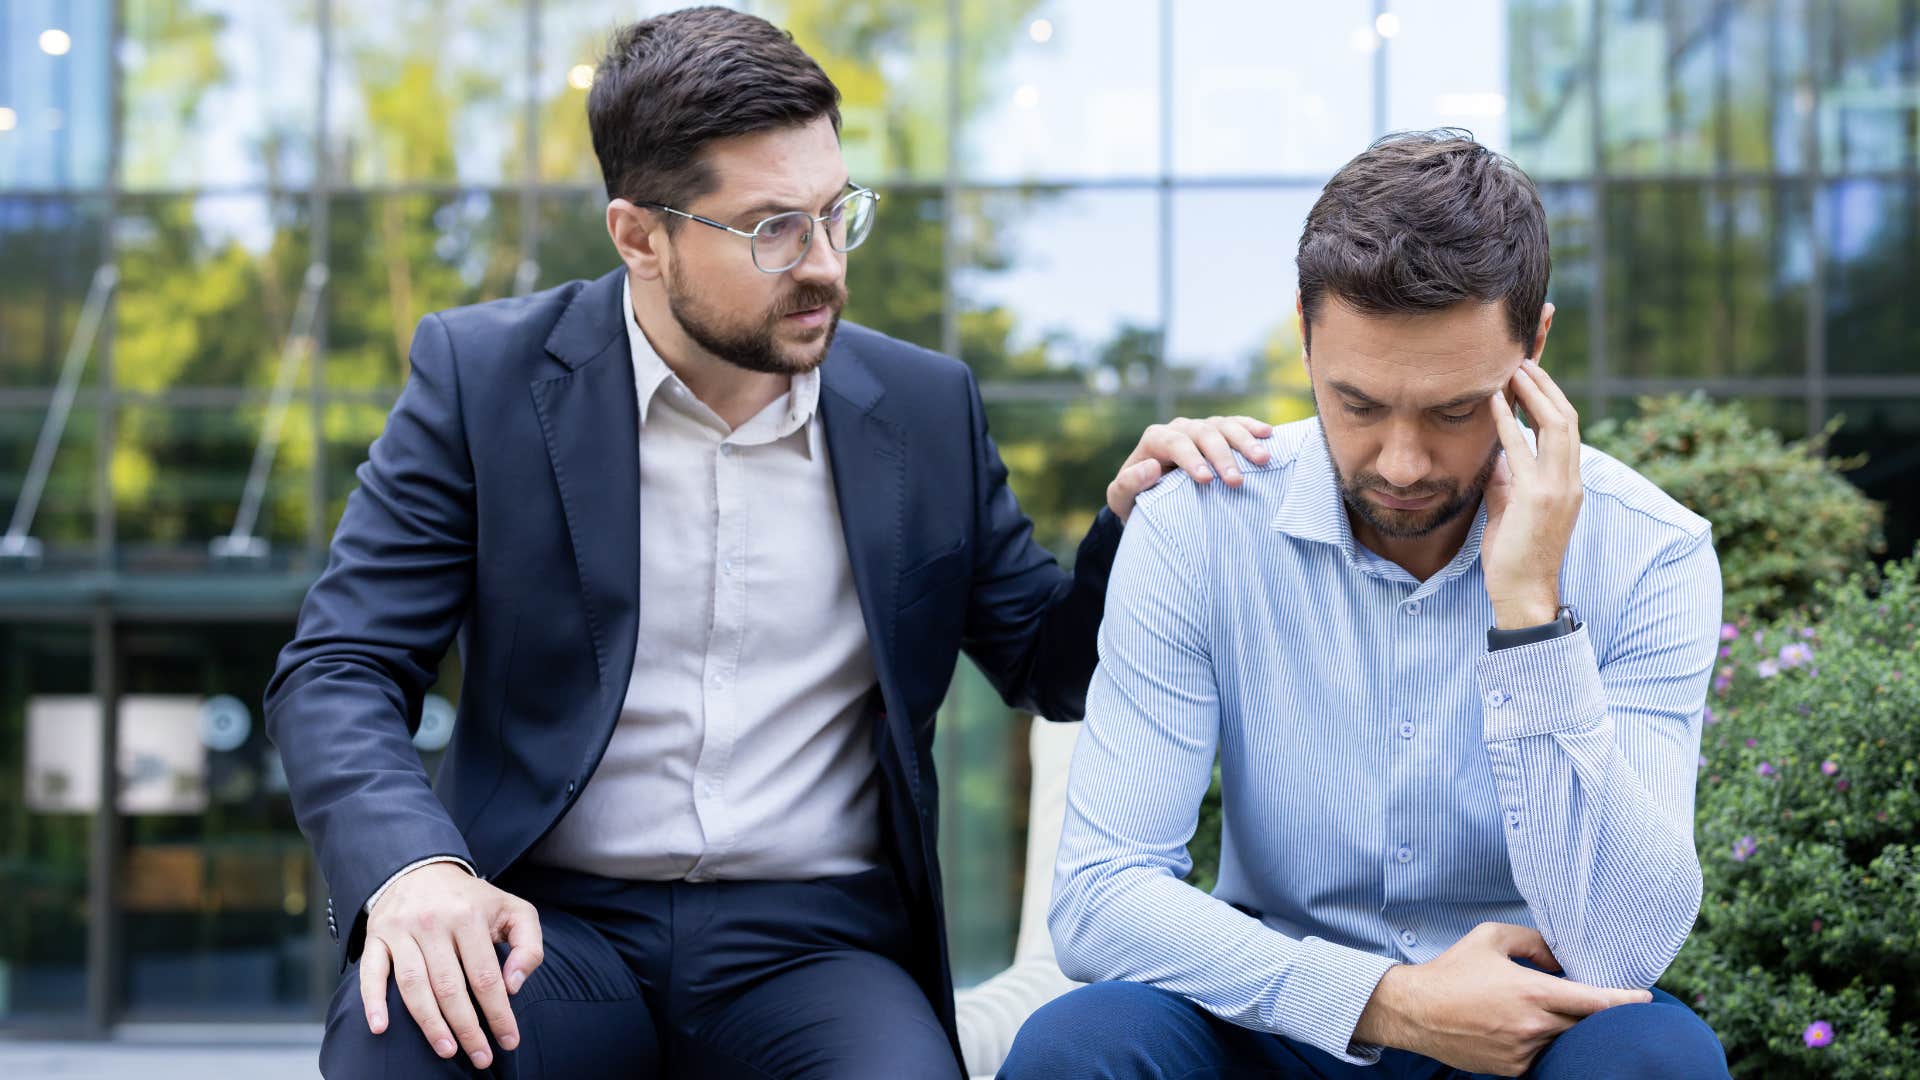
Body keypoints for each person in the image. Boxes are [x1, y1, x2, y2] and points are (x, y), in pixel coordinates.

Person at [266, 6, 1269, 1078]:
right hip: (548, 923)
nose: (827, 265)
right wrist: (414, 869)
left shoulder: (924, 410)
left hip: (815, 947)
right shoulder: (484, 380)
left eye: (838, 214)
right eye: (773, 230)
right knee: (408, 1049)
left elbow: (1048, 667)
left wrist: (1131, 525)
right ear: (638, 237)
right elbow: (340, 668)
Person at [999, 131, 1730, 1079]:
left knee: (1655, 1060)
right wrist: (1387, 1002)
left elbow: (1625, 948)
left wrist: (1529, 614)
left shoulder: (1649, 553)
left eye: (1454, 410)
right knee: (1079, 1046)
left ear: (1533, 346)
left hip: (1525, 1030)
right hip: (1277, 1013)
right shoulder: (1195, 526)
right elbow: (1100, 895)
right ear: (1304, 332)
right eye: (1358, 403)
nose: (1402, 463)